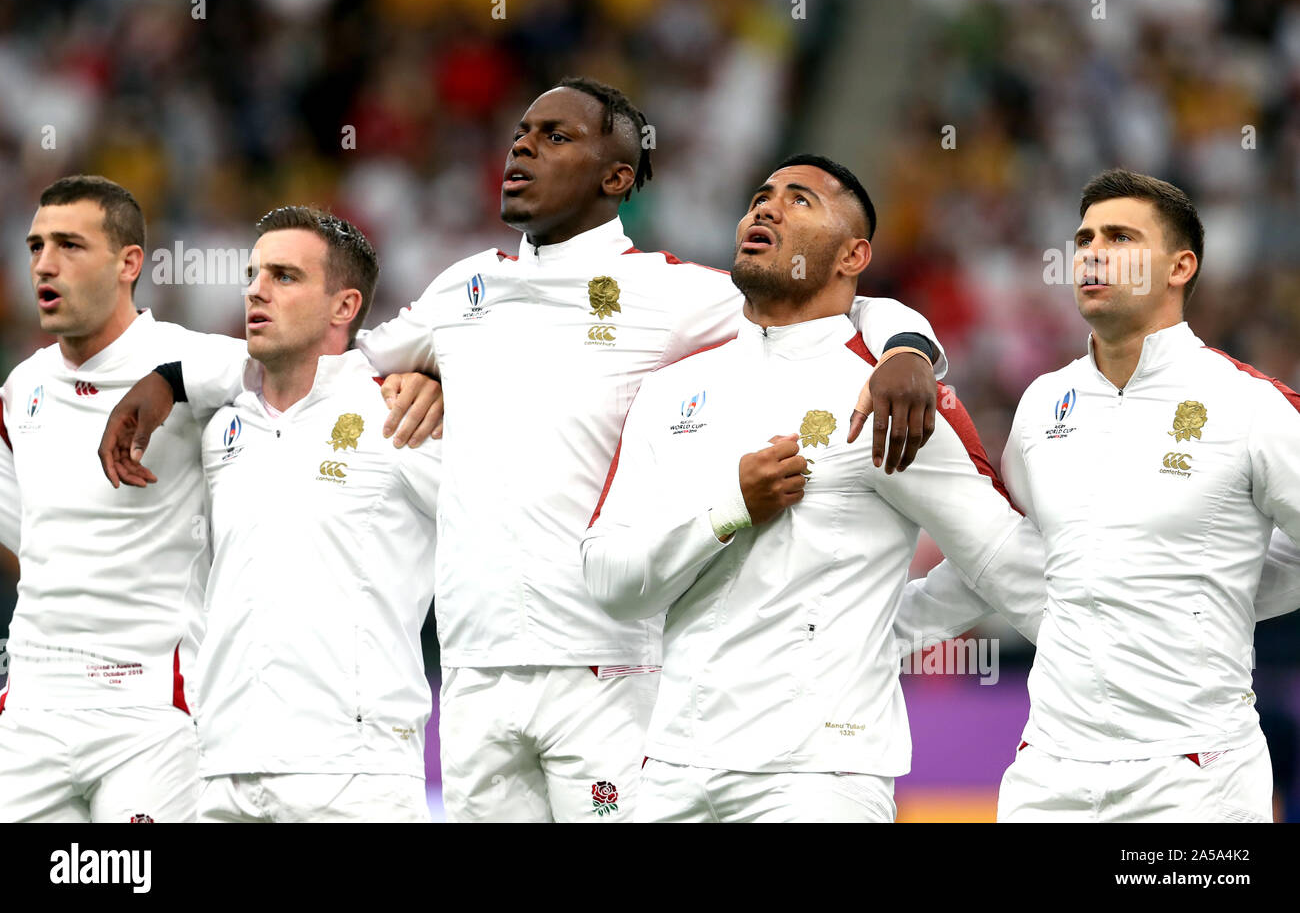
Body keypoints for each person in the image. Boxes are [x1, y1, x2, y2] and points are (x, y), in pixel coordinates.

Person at [101, 79, 949, 822]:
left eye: (556, 138)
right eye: (520, 135)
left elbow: (826, 305)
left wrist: (910, 350)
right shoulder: (463, 289)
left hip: (607, 665)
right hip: (472, 672)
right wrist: (179, 375)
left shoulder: (672, 292)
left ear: (617, 178)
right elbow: (328, 365)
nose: (523, 148)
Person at [581, 156, 1046, 822]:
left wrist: (889, 628)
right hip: (671, 773)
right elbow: (612, 584)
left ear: (853, 255)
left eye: (799, 200)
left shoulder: (892, 395)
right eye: (759, 197)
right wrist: (730, 509)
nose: (764, 209)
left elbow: (1004, 559)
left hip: (818, 780)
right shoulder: (669, 391)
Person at [906, 169, 1300, 822]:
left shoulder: (1250, 407)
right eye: (1085, 237)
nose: (1091, 251)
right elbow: (1022, 560)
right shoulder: (1039, 408)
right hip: (1048, 777)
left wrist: (1216, 591)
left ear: (1180, 266)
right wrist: (881, 632)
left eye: (1120, 237)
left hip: (1194, 778)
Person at [0, 175, 246, 822]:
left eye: (70, 246)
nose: (44, 264)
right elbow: (21, 539)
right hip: (31, 706)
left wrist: (170, 383)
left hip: (149, 711)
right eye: (35, 246)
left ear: (128, 263)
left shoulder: (188, 360)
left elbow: (296, 366)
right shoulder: (21, 387)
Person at [195, 207, 440, 822]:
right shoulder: (221, 427)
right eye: (253, 273)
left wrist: (447, 382)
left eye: (284, 276)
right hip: (222, 772)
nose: (255, 289)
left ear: (344, 306)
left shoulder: (401, 413)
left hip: (354, 776)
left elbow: (501, 524)